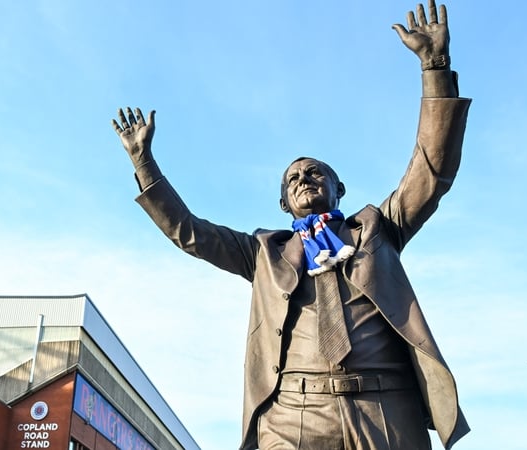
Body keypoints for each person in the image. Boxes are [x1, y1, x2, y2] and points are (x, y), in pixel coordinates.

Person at [112, 1, 470, 448]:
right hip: (292, 416)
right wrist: (144, 163)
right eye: (293, 178)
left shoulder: (378, 227)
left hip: (386, 410)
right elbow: (189, 231)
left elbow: (431, 171)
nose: (304, 179)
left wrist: (434, 66)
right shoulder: (262, 252)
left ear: (338, 187)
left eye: (316, 172)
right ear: (284, 202)